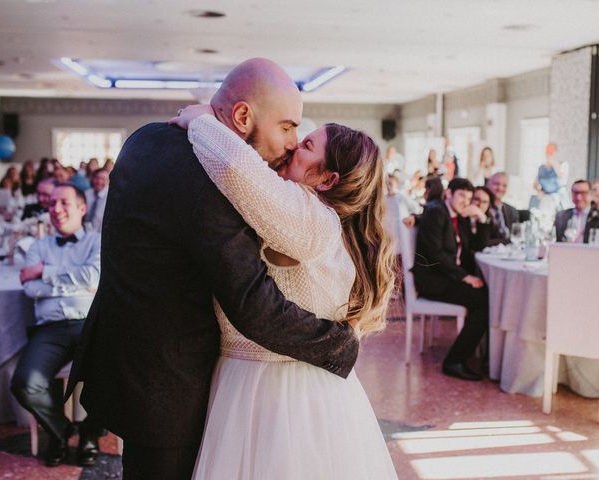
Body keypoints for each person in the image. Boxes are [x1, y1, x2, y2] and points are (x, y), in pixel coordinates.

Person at [68, 58, 361, 480]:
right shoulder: (215, 183)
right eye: (286, 127)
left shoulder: (146, 139)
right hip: (172, 388)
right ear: (242, 117)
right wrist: (337, 345)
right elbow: (253, 305)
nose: (294, 143)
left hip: (125, 360)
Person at [171, 99, 397, 478]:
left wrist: (202, 121)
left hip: (280, 392)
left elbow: (237, 171)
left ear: (326, 180)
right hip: (268, 379)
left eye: (307, 146)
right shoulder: (316, 217)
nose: (294, 146)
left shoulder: (310, 216)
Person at [11, 183, 102, 467]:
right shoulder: (37, 245)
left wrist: (45, 272)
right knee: (25, 383)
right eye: (51, 204)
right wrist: (73, 285)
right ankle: (61, 430)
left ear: (81, 208)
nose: (56, 209)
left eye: (64, 203)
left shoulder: (96, 241)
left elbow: (94, 277)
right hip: (50, 329)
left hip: (91, 323)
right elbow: (30, 290)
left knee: (113, 371)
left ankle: (90, 433)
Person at [412, 178, 490, 381]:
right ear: (448, 193)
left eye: (469, 197)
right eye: (461, 195)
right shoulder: (437, 212)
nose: (466, 201)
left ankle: (475, 354)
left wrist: (481, 218)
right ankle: (454, 361)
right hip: (433, 281)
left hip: (447, 277)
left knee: (485, 296)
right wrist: (465, 277)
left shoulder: (459, 216)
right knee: (483, 301)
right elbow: (436, 255)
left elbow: (477, 248)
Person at [486, 172, 519, 243]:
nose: (500, 188)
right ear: (487, 184)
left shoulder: (512, 211)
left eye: (504, 186)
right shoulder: (480, 207)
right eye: (496, 184)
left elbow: (516, 237)